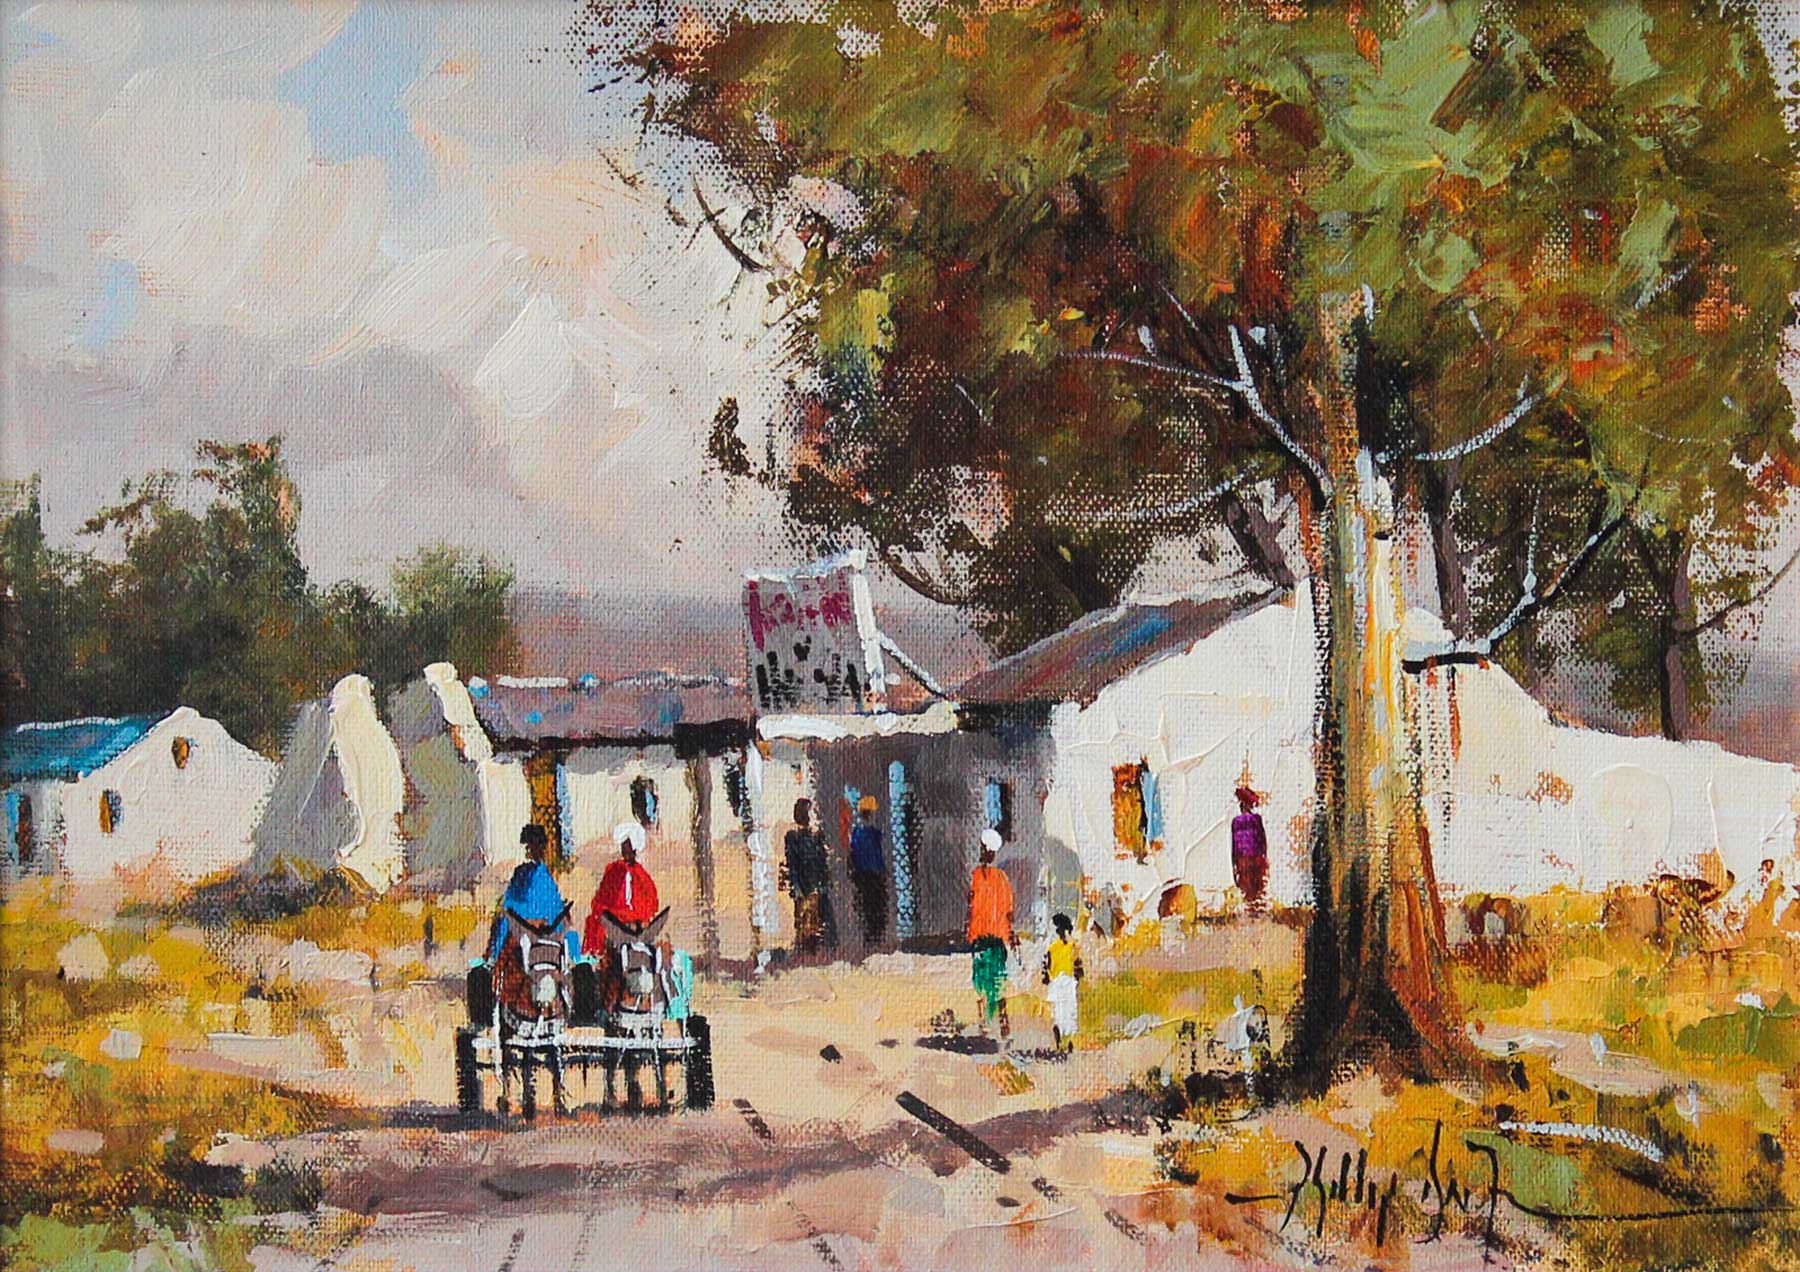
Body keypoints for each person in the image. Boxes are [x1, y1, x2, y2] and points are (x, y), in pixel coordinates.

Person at [487, 824, 576, 965]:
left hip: (544, 925)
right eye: (532, 845)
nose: (535, 849)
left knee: (571, 933)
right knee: (503, 921)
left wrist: (554, 916)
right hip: (524, 923)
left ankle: (577, 963)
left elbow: (554, 904)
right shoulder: (522, 872)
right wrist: (530, 919)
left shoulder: (545, 875)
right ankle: (492, 959)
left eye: (538, 846)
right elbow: (511, 901)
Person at [968, 829, 1017, 1039]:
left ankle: (988, 1024)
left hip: (984, 938)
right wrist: (1011, 934)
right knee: (995, 980)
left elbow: (972, 905)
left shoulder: (979, 876)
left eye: (983, 848)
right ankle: (999, 1021)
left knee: (984, 980)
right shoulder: (1000, 878)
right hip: (994, 938)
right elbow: (1009, 911)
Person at [585, 820, 661, 950]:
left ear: (635, 850)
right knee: (594, 923)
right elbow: (602, 897)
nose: (625, 853)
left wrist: (641, 918)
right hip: (613, 918)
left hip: (634, 920)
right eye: (623, 849)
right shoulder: (613, 870)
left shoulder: (641, 875)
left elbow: (650, 902)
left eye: (628, 849)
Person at [783, 798, 836, 954]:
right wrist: (797, 888)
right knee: (806, 924)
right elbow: (793, 864)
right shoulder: (794, 837)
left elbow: (822, 862)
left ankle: (822, 950)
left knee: (822, 921)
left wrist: (825, 882)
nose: (814, 815)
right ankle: (808, 951)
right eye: (811, 812)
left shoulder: (817, 836)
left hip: (817, 886)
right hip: (806, 886)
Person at [1041, 912, 1084, 1052]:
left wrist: (1047, 979)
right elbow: (1078, 967)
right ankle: (1067, 1041)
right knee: (1068, 1012)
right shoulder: (1071, 947)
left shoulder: (1053, 948)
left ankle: (1062, 1042)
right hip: (1066, 982)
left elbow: (1046, 968)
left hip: (1059, 982)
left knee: (1060, 1012)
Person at [850, 796, 887, 945]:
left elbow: (854, 855)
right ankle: (876, 936)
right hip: (874, 874)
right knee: (877, 907)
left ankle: (870, 936)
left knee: (866, 907)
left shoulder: (856, 833)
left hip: (863, 875)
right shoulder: (875, 833)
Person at [1231, 785, 1269, 914]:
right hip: (1253, 857)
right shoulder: (1254, 819)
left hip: (1245, 858)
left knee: (1249, 884)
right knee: (1255, 884)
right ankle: (1255, 908)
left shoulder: (1238, 821)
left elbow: (1235, 845)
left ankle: (1252, 908)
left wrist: (1234, 862)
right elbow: (1262, 840)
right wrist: (1264, 855)